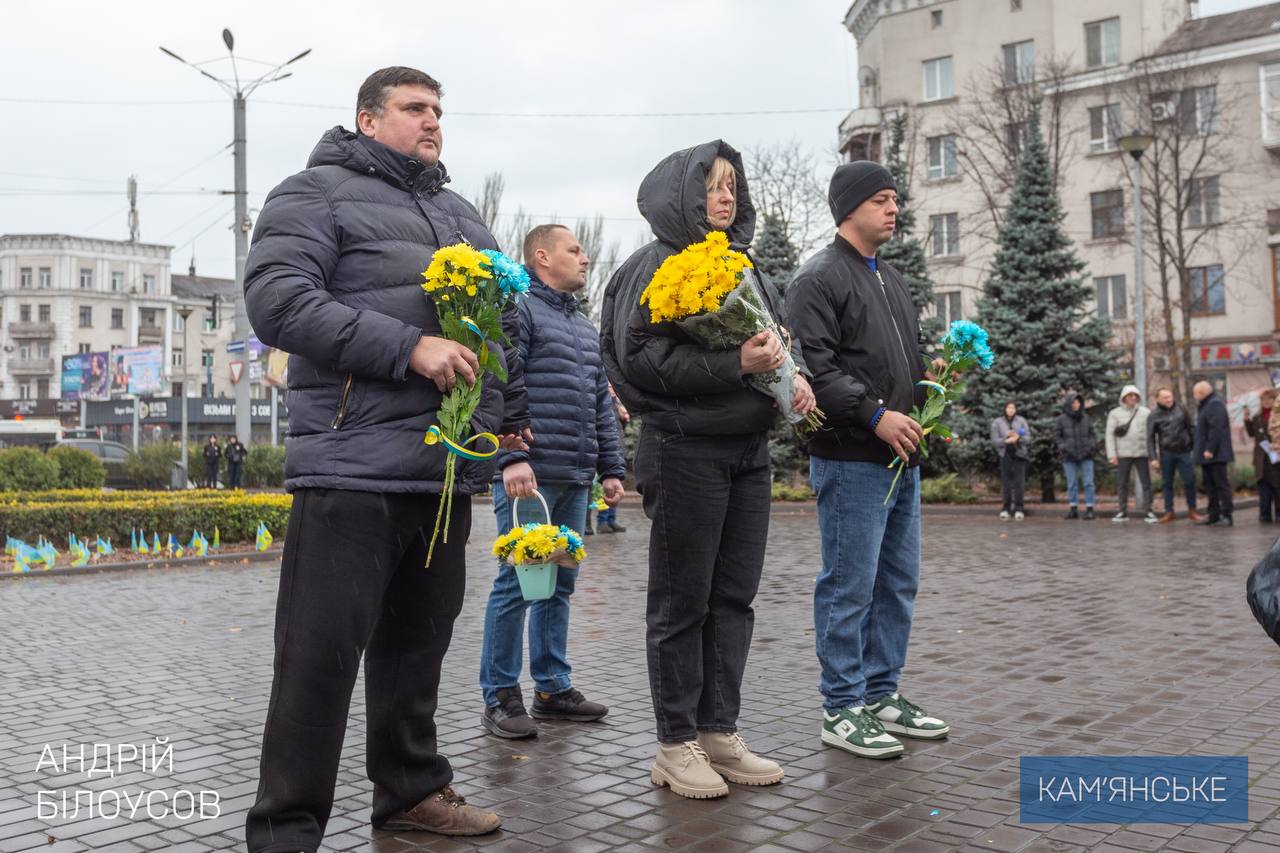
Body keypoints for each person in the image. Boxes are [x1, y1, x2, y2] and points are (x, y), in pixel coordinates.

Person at [242, 67, 531, 850]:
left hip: (439, 471)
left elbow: (502, 331)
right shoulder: (313, 193)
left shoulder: (461, 213)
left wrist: (498, 427)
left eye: (439, 108)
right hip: (350, 466)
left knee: (417, 650)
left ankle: (410, 791)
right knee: (318, 661)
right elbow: (278, 301)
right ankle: (285, 829)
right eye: (414, 108)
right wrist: (409, 348)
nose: (432, 121)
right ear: (368, 120)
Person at [601, 140, 815, 798]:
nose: (725, 197)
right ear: (682, 195)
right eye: (711, 186)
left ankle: (719, 729)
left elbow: (774, 336)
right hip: (685, 448)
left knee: (732, 599)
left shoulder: (743, 263)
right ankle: (676, 742)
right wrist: (735, 367)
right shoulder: (653, 264)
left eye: (731, 186)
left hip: (749, 449)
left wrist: (794, 375)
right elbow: (638, 360)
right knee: (681, 602)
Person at [787, 160, 950, 761]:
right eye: (881, 199)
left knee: (896, 583)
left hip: (899, 459)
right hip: (851, 455)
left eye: (894, 199)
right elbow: (817, 370)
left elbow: (901, 358)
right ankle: (842, 706)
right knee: (849, 583)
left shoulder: (893, 280)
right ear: (848, 207)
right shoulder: (818, 279)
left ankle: (882, 694)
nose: (894, 208)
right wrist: (877, 414)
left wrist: (926, 380)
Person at [479, 223, 625, 739]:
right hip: (529, 477)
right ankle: (499, 693)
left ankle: (552, 687)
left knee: (558, 582)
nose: (585, 258)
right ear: (542, 257)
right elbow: (499, 382)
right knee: (517, 583)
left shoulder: (584, 328)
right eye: (575, 249)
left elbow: (600, 404)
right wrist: (510, 456)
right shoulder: (520, 312)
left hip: (573, 474)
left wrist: (611, 467)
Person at [1105, 384, 1156, 523]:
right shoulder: (1114, 413)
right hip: (1123, 454)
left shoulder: (1146, 412)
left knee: (1146, 483)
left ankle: (1149, 511)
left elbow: (1151, 435)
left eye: (1135, 395)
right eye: (1130, 395)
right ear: (1124, 397)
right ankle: (1122, 511)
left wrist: (1153, 455)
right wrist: (1112, 455)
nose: (1133, 398)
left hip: (1141, 453)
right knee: (1122, 483)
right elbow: (1109, 435)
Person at [1148, 387, 1200, 523]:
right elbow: (1150, 438)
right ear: (1158, 399)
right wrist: (1153, 457)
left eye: (1170, 396)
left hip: (1184, 452)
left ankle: (1192, 510)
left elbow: (1192, 429)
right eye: (1165, 397)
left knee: (1189, 481)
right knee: (1167, 484)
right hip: (1166, 453)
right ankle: (1169, 512)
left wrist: (1195, 449)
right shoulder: (1154, 415)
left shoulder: (1182, 409)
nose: (1169, 399)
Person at [1193, 380, 1234, 526]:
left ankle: (1227, 515)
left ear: (1201, 393)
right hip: (1208, 455)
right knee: (1210, 486)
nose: (1194, 396)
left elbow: (1216, 429)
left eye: (1195, 393)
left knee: (1221, 485)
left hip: (1215, 454)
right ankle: (1213, 515)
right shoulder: (1207, 405)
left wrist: (1210, 449)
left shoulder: (1214, 404)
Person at [595, 387, 630, 534]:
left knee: (615, 487)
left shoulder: (615, 404)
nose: (612, 389)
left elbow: (618, 428)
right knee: (602, 489)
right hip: (604, 453)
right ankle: (602, 521)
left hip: (615, 450)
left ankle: (611, 519)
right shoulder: (602, 400)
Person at [1054, 393, 1095, 520]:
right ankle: (1073, 509)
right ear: (1068, 404)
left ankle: (1089, 509)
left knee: (1088, 483)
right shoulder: (1061, 419)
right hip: (1069, 456)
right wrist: (1063, 447)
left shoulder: (1086, 418)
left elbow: (1092, 434)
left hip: (1086, 455)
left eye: (1078, 402)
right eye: (1073, 403)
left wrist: (1091, 446)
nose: (1076, 405)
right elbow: (1057, 436)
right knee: (1072, 483)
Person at [991, 401, 1030, 521]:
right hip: (1005, 455)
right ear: (1005, 409)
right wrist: (1006, 440)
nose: (1011, 410)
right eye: (1008, 407)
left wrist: (1017, 438)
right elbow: (994, 440)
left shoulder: (1021, 421)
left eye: (1013, 408)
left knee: (1019, 483)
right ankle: (1005, 509)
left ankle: (1019, 509)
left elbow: (1028, 438)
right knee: (1006, 483)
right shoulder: (998, 422)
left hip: (1019, 455)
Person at [1246, 387, 1280, 523]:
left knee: (1277, 485)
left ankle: (1279, 513)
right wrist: (1247, 420)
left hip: (1275, 456)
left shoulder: (1276, 416)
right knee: (1263, 485)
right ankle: (1264, 513)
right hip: (1261, 458)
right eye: (1263, 399)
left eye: (1269, 399)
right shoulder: (1257, 417)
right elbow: (1251, 433)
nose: (1266, 402)